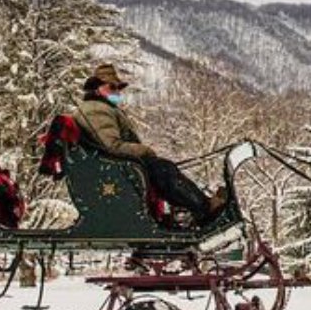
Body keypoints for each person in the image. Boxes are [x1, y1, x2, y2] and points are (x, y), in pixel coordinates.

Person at [73, 64, 227, 222]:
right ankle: (204, 208)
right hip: (117, 167)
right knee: (163, 170)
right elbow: (111, 146)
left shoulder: (103, 107)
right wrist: (144, 151)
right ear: (97, 88)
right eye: (112, 87)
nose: (117, 91)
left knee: (164, 169)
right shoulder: (96, 109)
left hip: (120, 165)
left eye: (118, 87)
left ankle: (197, 208)